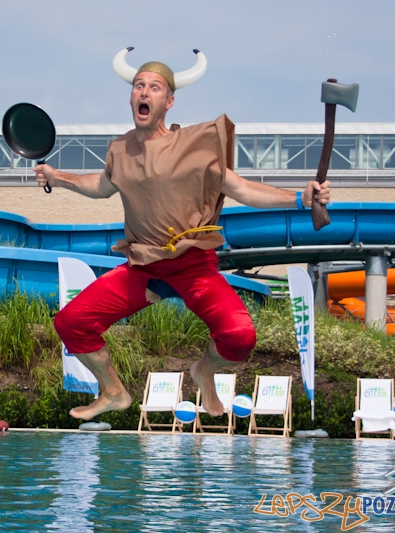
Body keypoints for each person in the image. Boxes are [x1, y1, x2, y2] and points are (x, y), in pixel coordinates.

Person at [35, 47, 331, 421]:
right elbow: (101, 185)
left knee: (240, 337)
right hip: (144, 267)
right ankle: (111, 391)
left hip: (193, 267)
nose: (144, 92)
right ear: (131, 97)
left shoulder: (194, 146)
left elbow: (240, 188)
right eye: (138, 86)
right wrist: (59, 178)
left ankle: (204, 370)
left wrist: (299, 198)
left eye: (154, 87)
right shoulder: (121, 149)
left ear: (169, 101)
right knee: (71, 323)